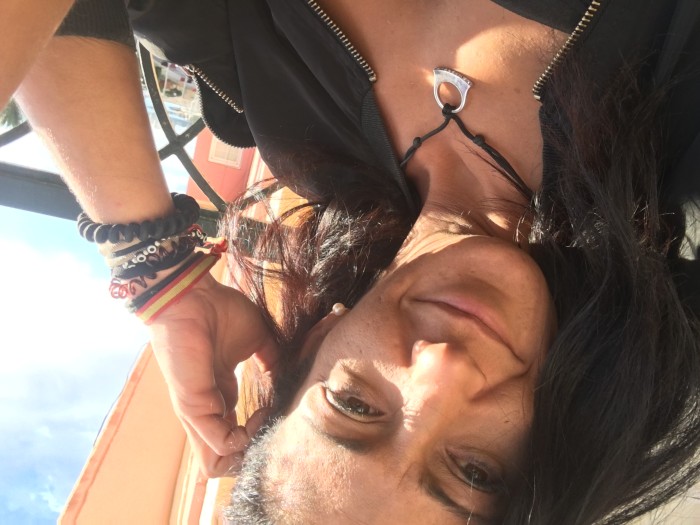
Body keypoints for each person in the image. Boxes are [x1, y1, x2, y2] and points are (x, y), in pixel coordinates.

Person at [2, 0, 699, 523]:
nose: (442, 374)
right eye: (473, 470)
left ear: (314, 341)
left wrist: (155, 270)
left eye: (355, 404)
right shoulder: (676, 119)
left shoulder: (283, 114)